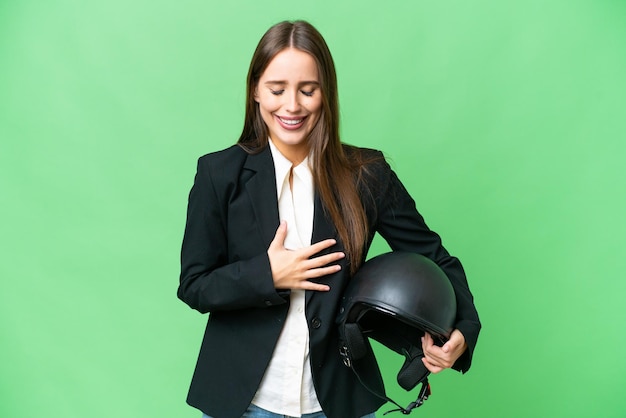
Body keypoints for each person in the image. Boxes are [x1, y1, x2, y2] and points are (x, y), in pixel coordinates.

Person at [178, 20, 481, 418]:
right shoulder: (218, 174)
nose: (292, 106)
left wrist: (463, 330)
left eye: (308, 90)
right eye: (276, 89)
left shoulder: (367, 174)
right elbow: (195, 285)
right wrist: (266, 275)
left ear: (326, 94)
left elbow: (434, 258)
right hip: (244, 402)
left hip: (338, 400)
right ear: (255, 90)